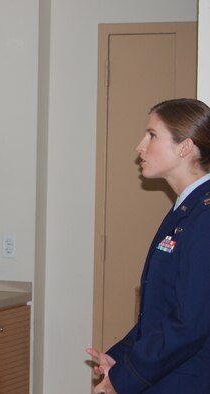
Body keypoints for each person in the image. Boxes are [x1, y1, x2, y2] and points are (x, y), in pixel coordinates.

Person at [87, 98, 210, 393]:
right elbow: (159, 313)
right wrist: (120, 358)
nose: (140, 146)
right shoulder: (186, 210)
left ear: (185, 147)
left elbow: (189, 323)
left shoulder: (205, 215)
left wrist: (127, 378)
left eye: (152, 135)